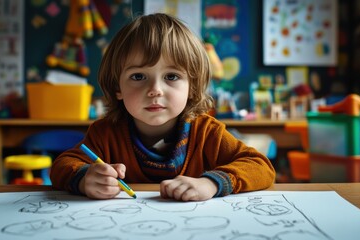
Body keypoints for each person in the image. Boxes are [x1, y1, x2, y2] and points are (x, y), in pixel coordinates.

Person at [50, 13, 275, 201]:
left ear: (192, 87)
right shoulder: (105, 133)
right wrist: (85, 178)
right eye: (138, 76)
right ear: (117, 86)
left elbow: (260, 167)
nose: (155, 90)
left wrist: (211, 183)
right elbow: (62, 166)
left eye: (171, 76)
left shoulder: (207, 132)